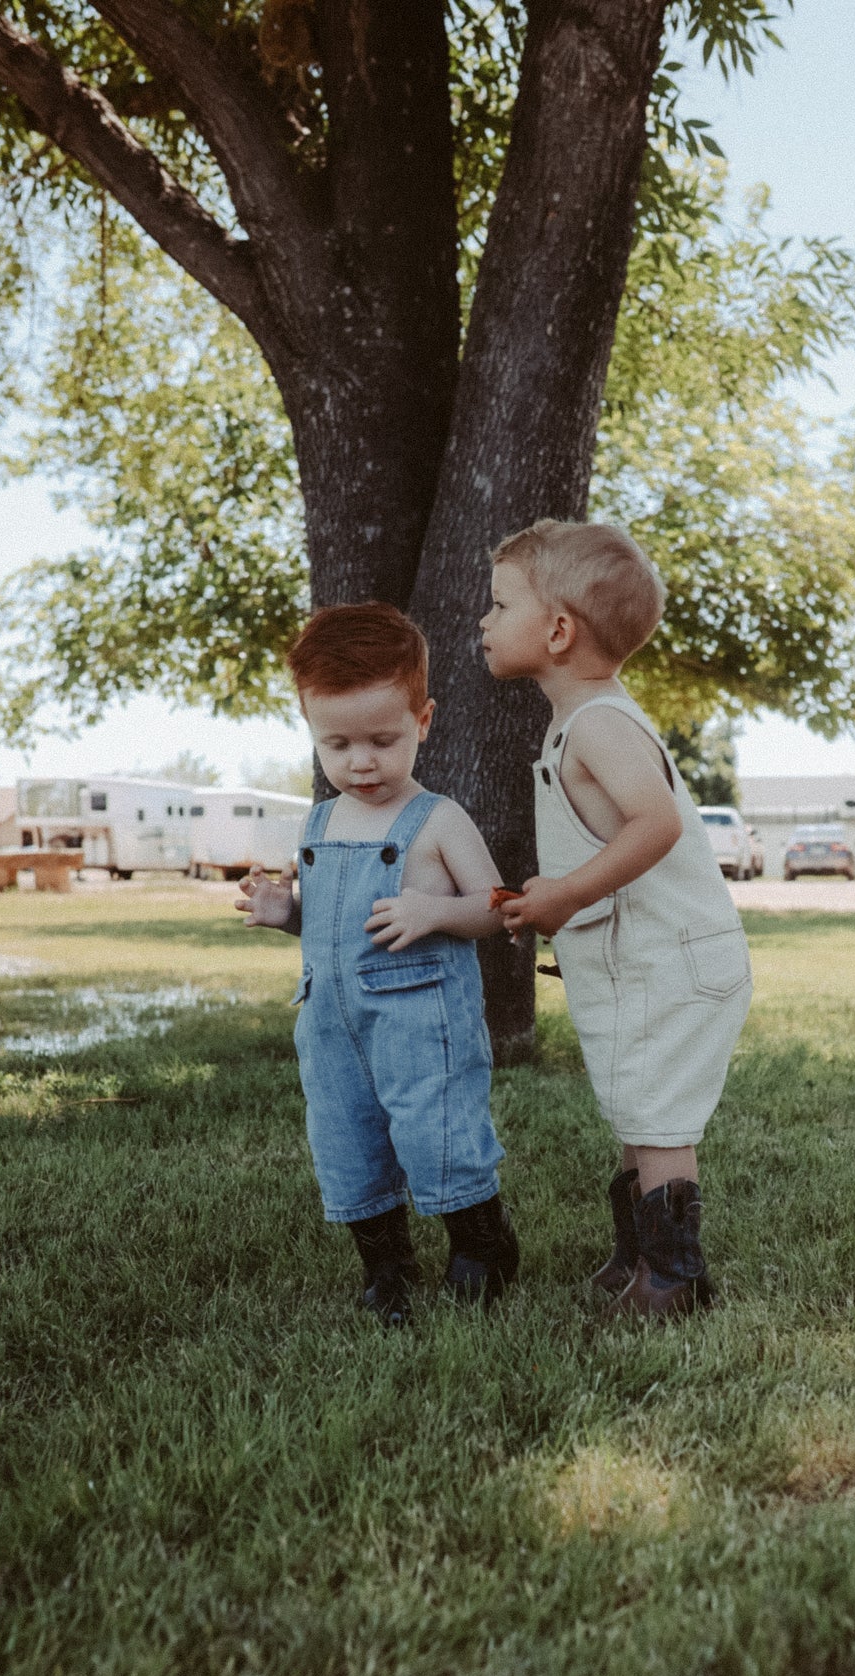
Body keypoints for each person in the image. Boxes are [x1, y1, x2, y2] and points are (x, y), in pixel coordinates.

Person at [484, 519, 751, 1318]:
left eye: (499, 606)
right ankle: (639, 1255)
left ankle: (673, 1282)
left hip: (672, 962)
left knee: (660, 1119)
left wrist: (567, 896)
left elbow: (656, 824)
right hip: (649, 959)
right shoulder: (580, 720)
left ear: (558, 631)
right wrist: (558, 894)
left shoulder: (599, 723)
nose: (484, 623)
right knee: (639, 1107)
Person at [237, 602, 518, 1325]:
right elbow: (332, 923)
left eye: (383, 740)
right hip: (331, 1022)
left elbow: (498, 906)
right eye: (337, 744)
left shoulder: (438, 818)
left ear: (423, 721)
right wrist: (284, 914)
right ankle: (385, 1265)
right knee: (346, 1137)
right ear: (311, 733)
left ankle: (482, 1247)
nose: (361, 762)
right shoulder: (319, 821)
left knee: (438, 1130)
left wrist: (436, 912)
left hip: (421, 1020)